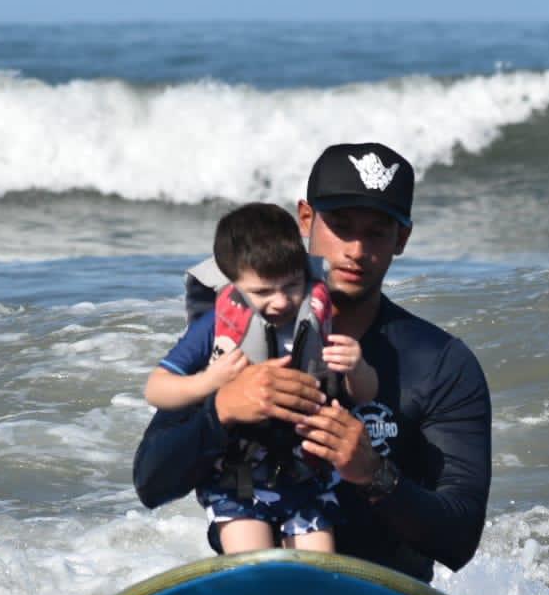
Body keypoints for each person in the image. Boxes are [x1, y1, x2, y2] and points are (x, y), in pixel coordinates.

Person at [133, 142, 492, 581]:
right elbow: (151, 483)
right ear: (306, 219)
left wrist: (374, 474)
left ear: (401, 239)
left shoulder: (440, 364)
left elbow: (459, 538)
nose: (356, 250)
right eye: (340, 227)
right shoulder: (231, 337)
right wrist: (221, 411)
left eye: (377, 232)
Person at [143, 202, 378, 554]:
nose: (281, 301)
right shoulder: (217, 326)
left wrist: (358, 368)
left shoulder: (318, 316)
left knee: (320, 566)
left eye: (292, 285)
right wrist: (211, 381)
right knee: (251, 563)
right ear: (233, 282)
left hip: (305, 474)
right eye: (263, 292)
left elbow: (365, 395)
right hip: (238, 480)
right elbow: (156, 389)